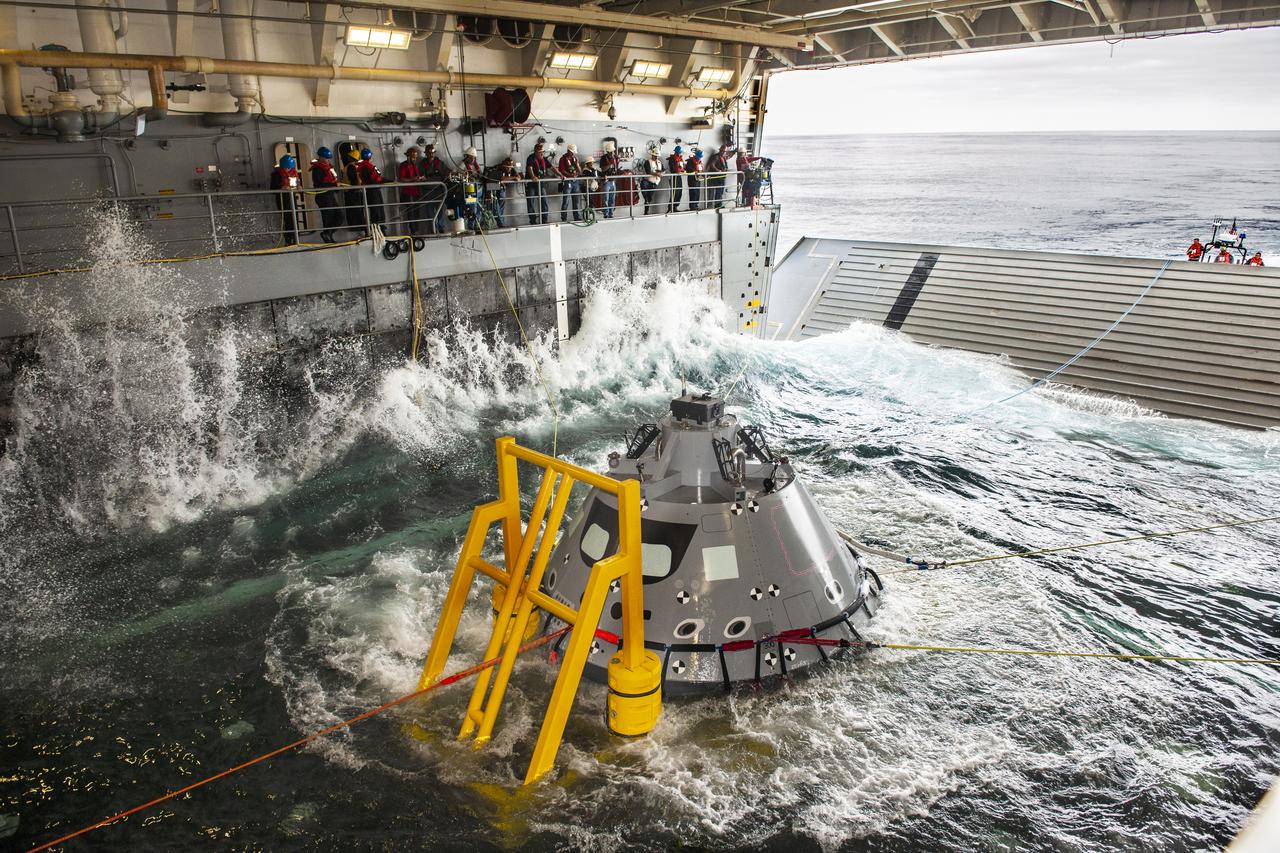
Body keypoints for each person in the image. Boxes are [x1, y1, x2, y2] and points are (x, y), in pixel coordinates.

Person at [308, 147, 343, 243]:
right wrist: (334, 185)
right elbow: (320, 184)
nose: (328, 160)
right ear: (321, 157)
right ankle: (328, 237)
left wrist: (336, 187)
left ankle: (328, 233)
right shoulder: (317, 170)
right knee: (328, 218)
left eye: (328, 159)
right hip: (323, 197)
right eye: (326, 158)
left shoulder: (329, 169)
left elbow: (332, 181)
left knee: (339, 216)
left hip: (330, 195)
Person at [270, 154, 301, 244]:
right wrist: (282, 188)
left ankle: (295, 240)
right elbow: (272, 189)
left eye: (289, 168)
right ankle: (288, 241)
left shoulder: (293, 173)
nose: (288, 169)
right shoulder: (276, 175)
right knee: (288, 220)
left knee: (294, 219)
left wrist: (298, 187)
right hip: (283, 200)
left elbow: (294, 185)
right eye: (287, 168)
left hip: (292, 199)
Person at [353, 147, 386, 231]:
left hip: (373, 191)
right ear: (370, 157)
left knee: (378, 210)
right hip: (373, 191)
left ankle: (380, 228)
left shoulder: (364, 167)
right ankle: (378, 230)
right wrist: (388, 180)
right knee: (376, 211)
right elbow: (375, 179)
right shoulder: (367, 167)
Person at [420, 144, 449, 234]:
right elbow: (420, 175)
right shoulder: (422, 164)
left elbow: (446, 173)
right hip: (427, 191)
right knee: (429, 211)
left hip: (438, 191)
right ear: (426, 154)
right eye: (429, 153)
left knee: (440, 210)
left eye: (432, 153)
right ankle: (432, 228)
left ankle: (440, 227)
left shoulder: (440, 163)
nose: (431, 155)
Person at [485, 155, 521, 228]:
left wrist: (518, 177)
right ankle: (500, 223)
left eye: (510, 168)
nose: (509, 169)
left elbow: (518, 175)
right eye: (508, 168)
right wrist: (514, 178)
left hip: (499, 187)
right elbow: (502, 178)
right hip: (490, 186)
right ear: (504, 166)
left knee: (501, 204)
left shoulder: (511, 169)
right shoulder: (498, 168)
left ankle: (500, 221)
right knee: (495, 205)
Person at [397, 147, 426, 235]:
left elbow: (417, 176)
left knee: (417, 212)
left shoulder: (416, 166)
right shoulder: (403, 165)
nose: (415, 159)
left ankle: (416, 230)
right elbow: (401, 179)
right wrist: (412, 179)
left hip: (416, 192)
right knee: (411, 213)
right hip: (408, 193)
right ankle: (413, 231)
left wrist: (421, 179)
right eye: (413, 157)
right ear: (408, 157)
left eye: (415, 157)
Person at [525, 141, 554, 225]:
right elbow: (529, 168)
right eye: (540, 152)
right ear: (535, 152)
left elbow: (552, 168)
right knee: (530, 202)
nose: (542, 154)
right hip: (531, 184)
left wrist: (561, 175)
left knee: (544, 201)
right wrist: (533, 176)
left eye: (542, 152)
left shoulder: (544, 159)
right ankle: (533, 221)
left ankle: (544, 220)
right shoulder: (531, 158)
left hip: (540, 184)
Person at [455, 146, 482, 230]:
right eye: (471, 157)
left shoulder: (476, 165)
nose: (472, 159)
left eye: (474, 158)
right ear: (467, 157)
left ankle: (477, 225)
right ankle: (471, 226)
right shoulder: (462, 165)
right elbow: (456, 174)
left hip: (478, 189)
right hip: (469, 190)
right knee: (472, 208)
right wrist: (466, 176)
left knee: (478, 208)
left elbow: (480, 174)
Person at [558, 143, 583, 222]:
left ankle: (577, 217)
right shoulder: (562, 159)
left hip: (575, 182)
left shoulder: (575, 159)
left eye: (574, 152)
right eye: (572, 152)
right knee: (566, 201)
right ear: (568, 151)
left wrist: (577, 164)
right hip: (567, 182)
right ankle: (564, 218)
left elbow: (580, 171)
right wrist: (571, 175)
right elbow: (562, 170)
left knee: (576, 201)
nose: (573, 153)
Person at [639, 145, 664, 215]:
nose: (656, 157)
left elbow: (663, 170)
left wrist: (661, 172)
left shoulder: (659, 163)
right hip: (647, 181)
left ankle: (646, 211)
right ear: (652, 155)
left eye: (657, 156)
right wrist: (657, 174)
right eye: (655, 156)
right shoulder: (647, 162)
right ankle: (646, 210)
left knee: (649, 198)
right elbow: (648, 171)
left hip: (655, 182)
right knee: (644, 190)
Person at [599, 140, 621, 219]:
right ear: (607, 152)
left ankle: (611, 214)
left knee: (612, 199)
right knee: (606, 199)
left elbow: (616, 168)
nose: (612, 153)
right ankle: (606, 214)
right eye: (611, 152)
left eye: (613, 152)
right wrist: (610, 164)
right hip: (606, 182)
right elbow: (603, 169)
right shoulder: (603, 158)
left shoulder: (615, 158)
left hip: (613, 181)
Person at [707, 144, 731, 208]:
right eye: (722, 151)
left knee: (720, 191)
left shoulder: (723, 157)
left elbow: (729, 157)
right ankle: (717, 205)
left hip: (722, 177)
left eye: (724, 151)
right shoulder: (716, 157)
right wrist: (718, 171)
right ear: (720, 151)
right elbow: (712, 165)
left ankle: (719, 204)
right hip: (716, 178)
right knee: (717, 191)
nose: (723, 152)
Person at [666, 145, 685, 213]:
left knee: (679, 192)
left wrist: (683, 170)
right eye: (680, 152)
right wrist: (679, 171)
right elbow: (673, 169)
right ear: (677, 152)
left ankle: (675, 207)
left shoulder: (680, 159)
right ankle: (671, 207)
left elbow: (683, 166)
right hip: (673, 177)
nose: (681, 153)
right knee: (674, 192)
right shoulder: (672, 159)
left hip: (679, 177)